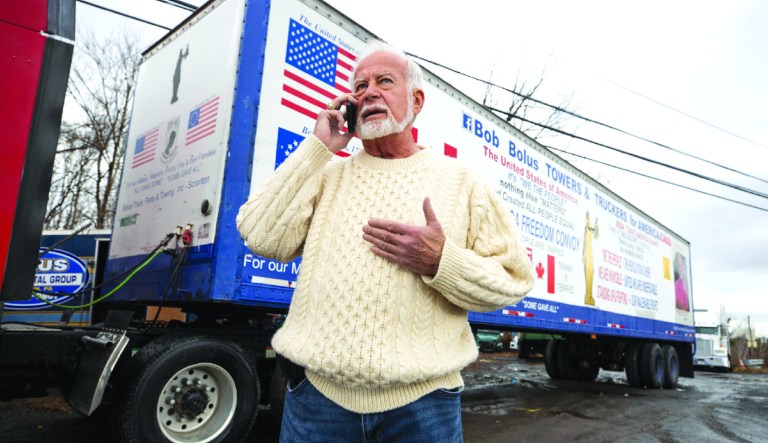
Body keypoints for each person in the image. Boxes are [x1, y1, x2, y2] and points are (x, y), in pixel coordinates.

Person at [237, 41, 534, 442]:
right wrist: (317, 149)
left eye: (384, 81)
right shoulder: (326, 174)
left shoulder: (461, 181)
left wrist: (440, 262)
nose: (369, 92)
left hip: (424, 407)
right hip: (317, 403)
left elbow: (512, 278)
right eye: (360, 87)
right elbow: (261, 236)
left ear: (416, 100)